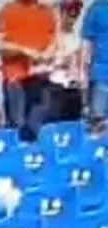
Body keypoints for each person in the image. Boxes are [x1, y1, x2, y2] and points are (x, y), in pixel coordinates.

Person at [0, 0, 57, 141]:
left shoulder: (47, 13)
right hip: (15, 79)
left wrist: (46, 55)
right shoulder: (7, 11)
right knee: (17, 128)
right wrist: (25, 51)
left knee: (38, 128)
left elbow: (53, 42)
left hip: (40, 79)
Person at [48, 0, 85, 122]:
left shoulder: (76, 38)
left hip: (72, 88)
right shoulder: (51, 36)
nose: (72, 18)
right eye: (69, 13)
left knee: (73, 123)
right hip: (54, 87)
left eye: (75, 14)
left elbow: (79, 63)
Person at [82, 0, 108, 132]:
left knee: (98, 120)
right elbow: (86, 44)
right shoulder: (97, 8)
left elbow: (86, 44)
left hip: (100, 73)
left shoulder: (96, 8)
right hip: (101, 74)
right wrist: (83, 74)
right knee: (98, 122)